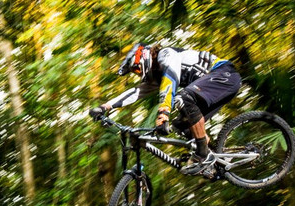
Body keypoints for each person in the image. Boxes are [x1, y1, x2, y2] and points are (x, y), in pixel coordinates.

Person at [94, 43, 242, 176]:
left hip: (224, 75)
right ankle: (217, 157)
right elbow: (135, 93)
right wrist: (105, 107)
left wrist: (163, 113)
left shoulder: (166, 55)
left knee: (183, 98)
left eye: (137, 69)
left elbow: (170, 80)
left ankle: (203, 154)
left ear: (144, 56)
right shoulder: (156, 76)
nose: (138, 74)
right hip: (212, 86)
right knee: (183, 127)